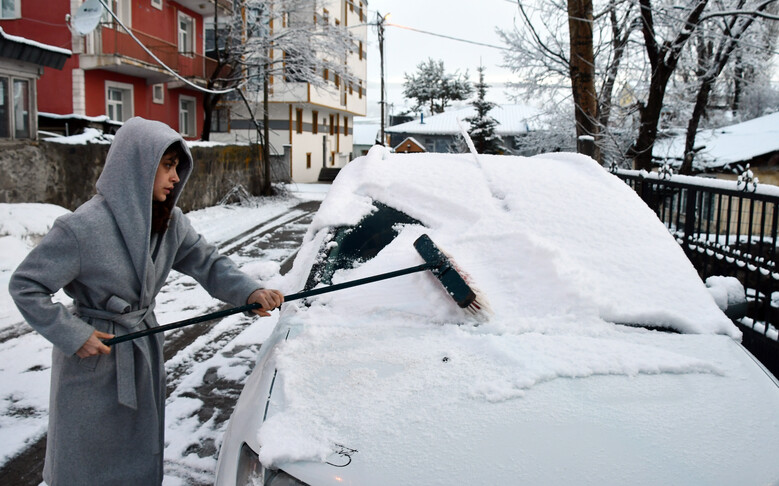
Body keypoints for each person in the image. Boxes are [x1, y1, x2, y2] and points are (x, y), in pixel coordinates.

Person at [9, 117, 284, 485]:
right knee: (86, 464)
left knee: (137, 457)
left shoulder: (169, 223)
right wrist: (74, 334)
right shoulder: (81, 227)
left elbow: (208, 263)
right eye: (167, 166)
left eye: (176, 167)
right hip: (94, 356)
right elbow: (26, 285)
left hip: (142, 349)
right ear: (137, 165)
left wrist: (249, 292)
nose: (175, 178)